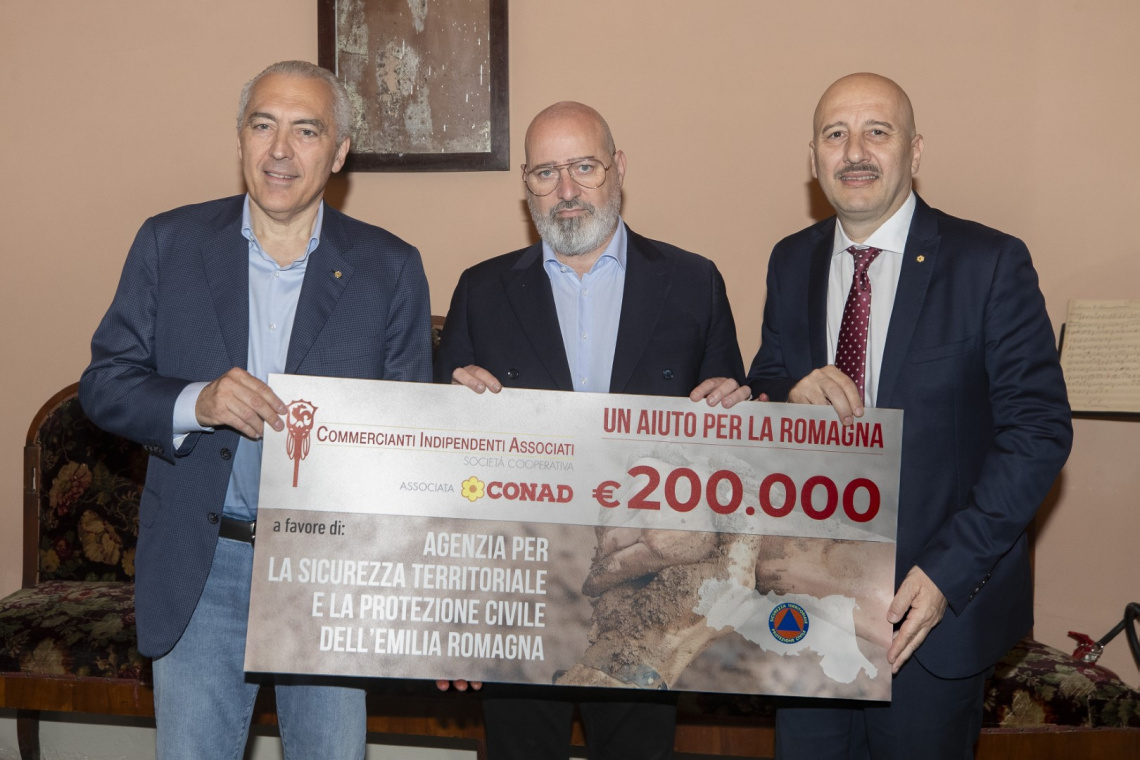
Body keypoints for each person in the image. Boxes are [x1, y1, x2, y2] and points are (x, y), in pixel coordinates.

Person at [79, 60, 432, 759]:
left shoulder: (389, 267)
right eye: (263, 125)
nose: (280, 150)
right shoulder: (169, 243)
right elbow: (105, 383)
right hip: (202, 566)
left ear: (338, 152)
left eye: (306, 131)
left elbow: (411, 430)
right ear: (240, 137)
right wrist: (197, 401)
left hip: (331, 574)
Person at [723, 73, 1072, 759]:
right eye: (835, 134)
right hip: (807, 614)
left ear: (914, 151)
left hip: (929, 621)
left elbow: (1038, 434)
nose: (855, 151)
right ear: (813, 157)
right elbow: (768, 382)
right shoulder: (791, 262)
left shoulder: (988, 263)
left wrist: (947, 574)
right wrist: (787, 392)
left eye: (876, 132)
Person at [435, 101, 746, 760]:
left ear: (618, 168)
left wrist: (732, 405)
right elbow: (444, 470)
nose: (567, 190)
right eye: (546, 173)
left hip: (645, 592)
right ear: (526, 184)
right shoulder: (482, 290)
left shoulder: (693, 284)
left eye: (584, 167)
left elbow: (728, 446)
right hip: (518, 592)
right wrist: (450, 409)